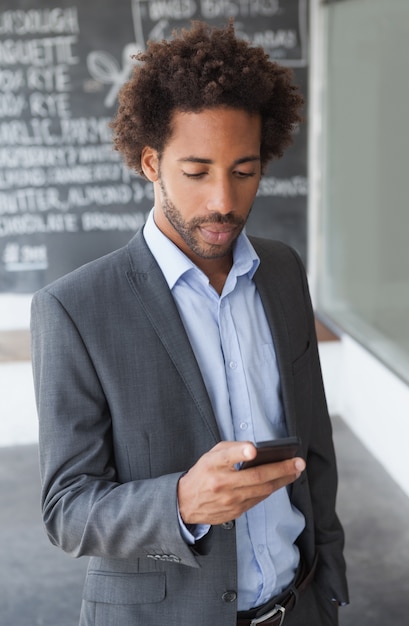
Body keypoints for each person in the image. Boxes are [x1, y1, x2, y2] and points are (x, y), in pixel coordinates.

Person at [31, 20, 349, 626]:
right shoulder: (73, 309)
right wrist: (181, 502)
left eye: (245, 170)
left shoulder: (282, 271)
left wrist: (327, 582)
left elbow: (315, 446)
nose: (223, 200)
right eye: (197, 171)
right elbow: (66, 511)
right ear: (151, 162)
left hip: (301, 605)